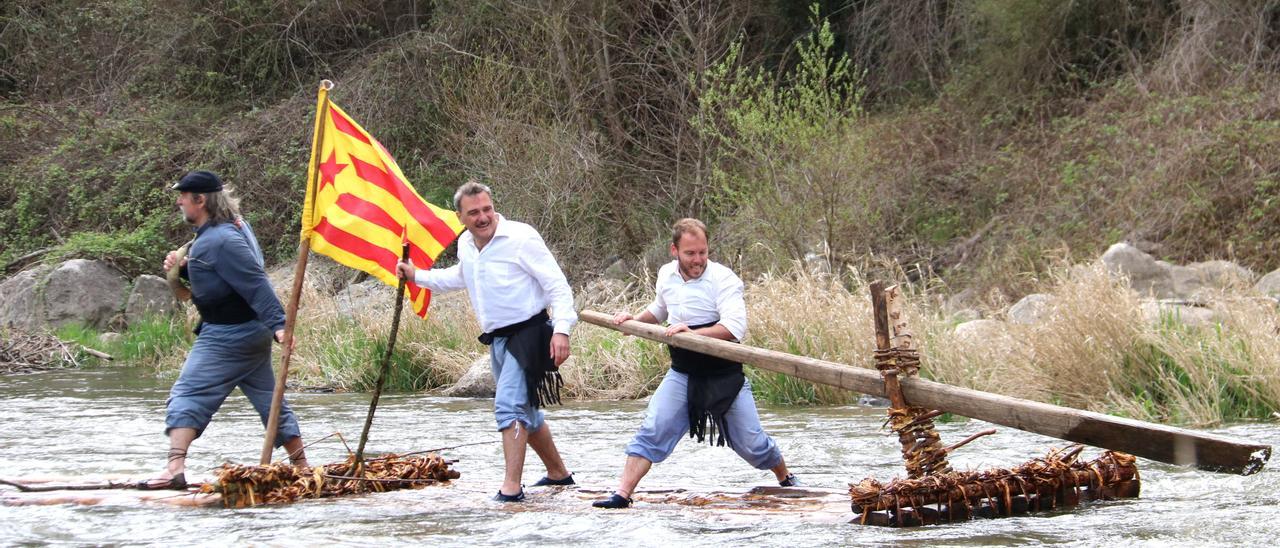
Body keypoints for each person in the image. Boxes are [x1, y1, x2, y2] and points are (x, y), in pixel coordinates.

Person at [592, 218, 799, 509]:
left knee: (752, 445)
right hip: (683, 372)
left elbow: (733, 328)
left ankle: (785, 477)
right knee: (653, 428)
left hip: (724, 374)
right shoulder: (666, 274)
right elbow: (660, 309)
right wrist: (633, 322)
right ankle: (621, 495)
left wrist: (693, 333)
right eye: (691, 253)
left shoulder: (724, 279)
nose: (698, 260)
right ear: (674, 250)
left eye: (703, 252)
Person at [396, 180, 576, 502]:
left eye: (487, 209)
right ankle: (558, 474)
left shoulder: (521, 237)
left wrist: (561, 330)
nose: (483, 217)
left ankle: (511, 488)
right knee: (528, 414)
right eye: (474, 212)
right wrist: (416, 276)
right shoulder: (466, 244)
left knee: (508, 407)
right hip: (498, 341)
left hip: (531, 334)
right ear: (460, 217)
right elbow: (458, 277)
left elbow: (558, 287)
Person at [141, 170, 309, 489]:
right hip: (249, 334)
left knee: (187, 393)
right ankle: (302, 466)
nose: (179, 202)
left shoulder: (221, 239)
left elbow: (255, 282)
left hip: (229, 335)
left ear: (201, 200)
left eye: (183, 197)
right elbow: (218, 278)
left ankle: (174, 468)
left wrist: (280, 326)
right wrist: (185, 268)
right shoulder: (231, 229)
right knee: (269, 401)